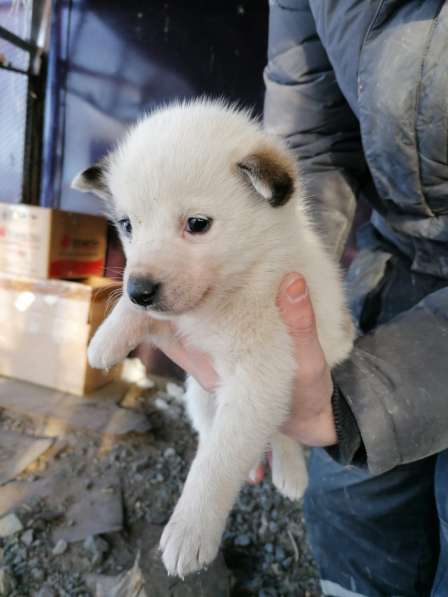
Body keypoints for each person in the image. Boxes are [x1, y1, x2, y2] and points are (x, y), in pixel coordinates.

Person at [160, 1, 448, 595]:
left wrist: (363, 403)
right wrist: (270, 287)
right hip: (399, 257)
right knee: (347, 497)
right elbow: (308, 145)